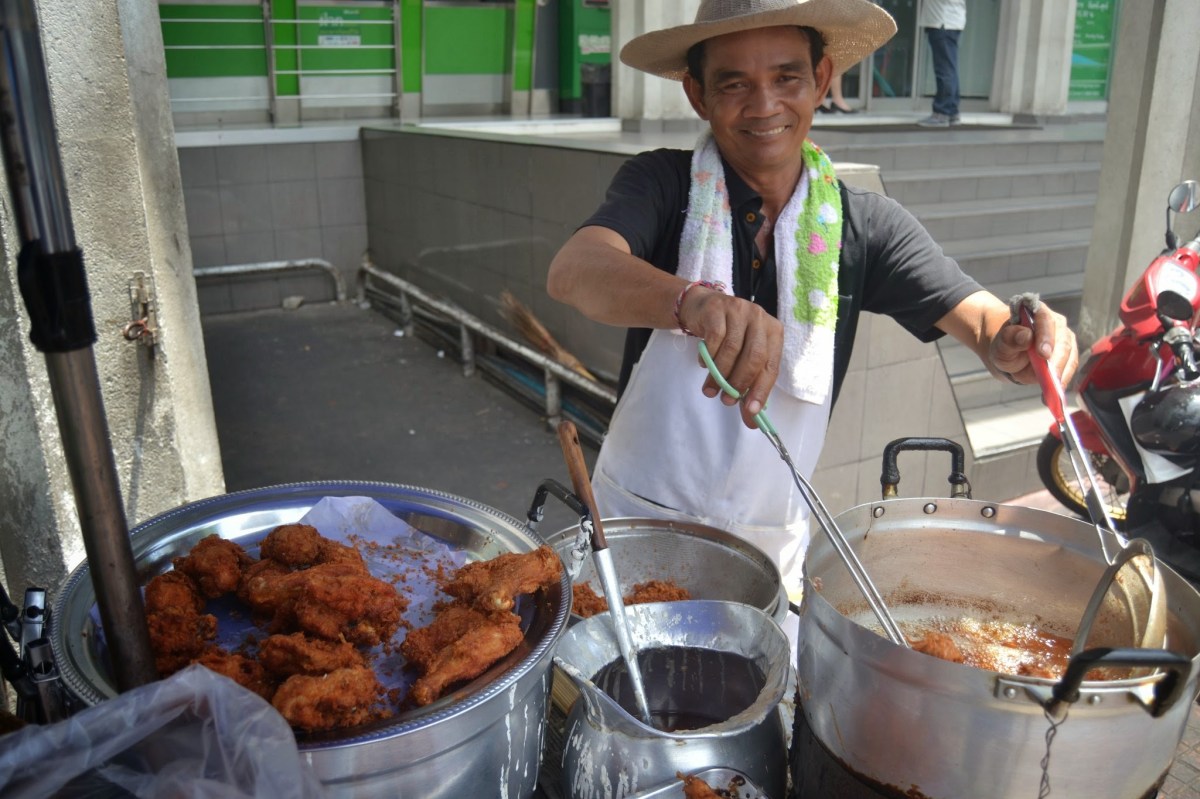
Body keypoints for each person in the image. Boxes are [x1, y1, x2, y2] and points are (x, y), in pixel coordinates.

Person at [545, 0, 1077, 597]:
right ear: (697, 95)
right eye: (735, 83)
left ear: (822, 78)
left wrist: (1020, 341)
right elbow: (576, 270)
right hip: (633, 532)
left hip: (767, 552)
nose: (765, 104)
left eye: (786, 77)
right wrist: (691, 300)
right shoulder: (663, 185)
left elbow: (983, 322)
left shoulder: (864, 226)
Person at [917, 0, 966, 127]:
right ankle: (952, 112)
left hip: (943, 23)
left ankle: (941, 113)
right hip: (949, 23)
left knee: (944, 70)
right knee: (950, 69)